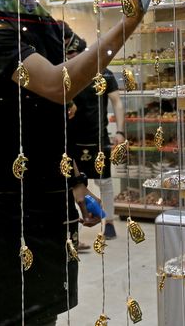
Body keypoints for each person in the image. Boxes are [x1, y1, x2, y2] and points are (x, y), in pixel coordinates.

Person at [0, 0, 155, 326]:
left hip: (53, 199)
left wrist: (79, 181)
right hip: (9, 203)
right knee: (8, 313)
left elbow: (86, 88)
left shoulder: (49, 26)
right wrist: (129, 20)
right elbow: (57, 84)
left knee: (46, 310)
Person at [63, 27, 123, 241]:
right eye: (68, 55)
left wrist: (121, 131)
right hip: (71, 139)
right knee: (71, 184)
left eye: (73, 54)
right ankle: (74, 230)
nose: (71, 58)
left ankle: (108, 222)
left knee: (104, 181)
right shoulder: (65, 75)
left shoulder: (103, 74)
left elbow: (116, 101)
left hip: (97, 137)